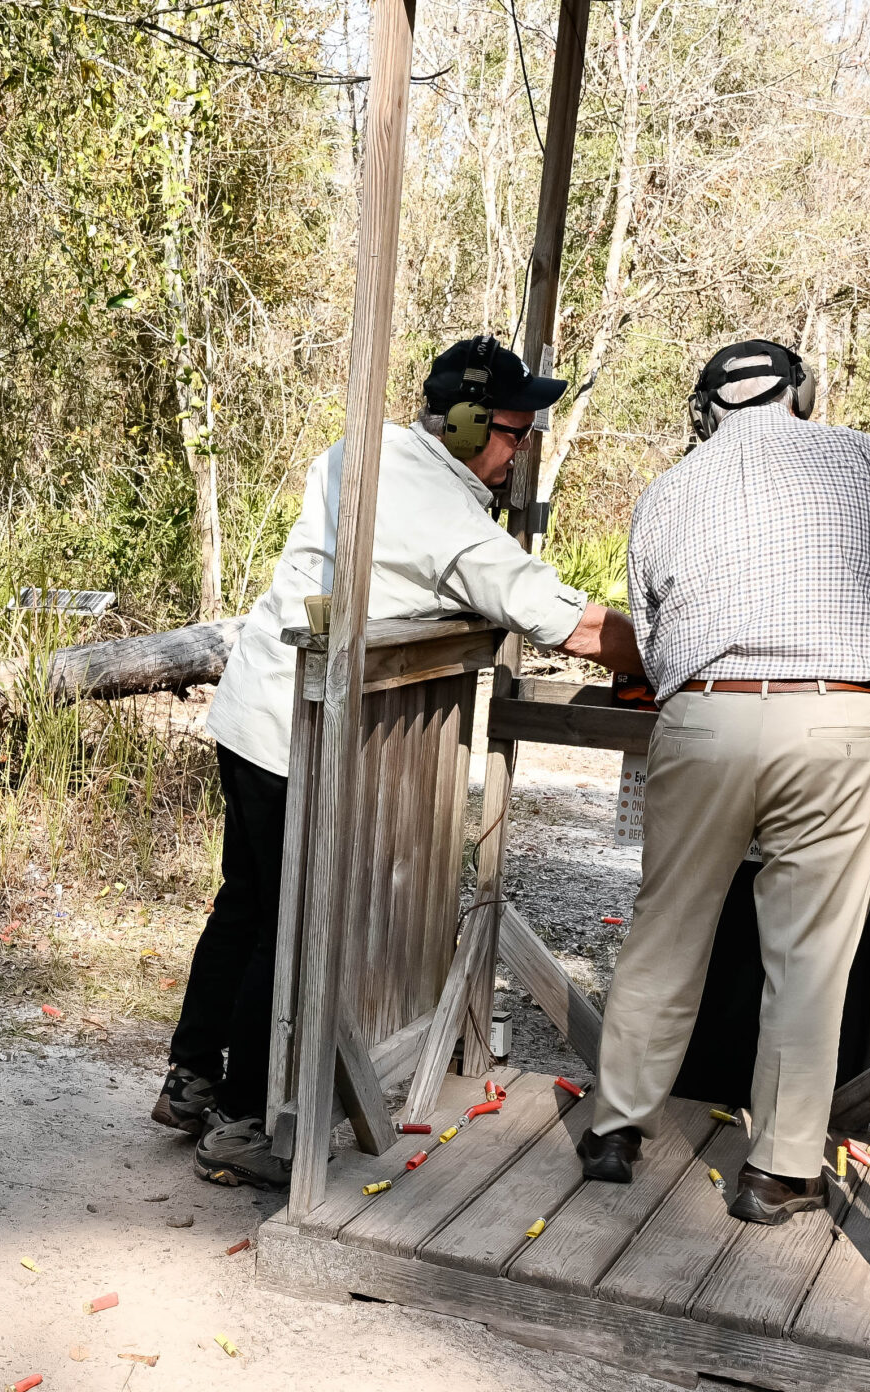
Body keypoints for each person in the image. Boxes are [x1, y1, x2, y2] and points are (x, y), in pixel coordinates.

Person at [160, 335, 645, 1187]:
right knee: (289, 925)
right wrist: (669, 656)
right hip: (298, 730)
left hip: (255, 711)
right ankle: (241, 1118)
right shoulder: (438, 510)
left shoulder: (367, 446)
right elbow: (559, 618)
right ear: (460, 423)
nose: (517, 452)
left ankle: (192, 1076)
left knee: (248, 903)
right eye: (509, 433)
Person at [575, 339, 870, 1224]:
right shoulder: (866, 460)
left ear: (707, 410)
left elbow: (654, 646)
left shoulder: (668, 489)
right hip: (838, 717)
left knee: (665, 928)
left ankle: (616, 1128)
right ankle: (776, 1172)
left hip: (706, 715)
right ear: (801, 396)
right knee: (809, 959)